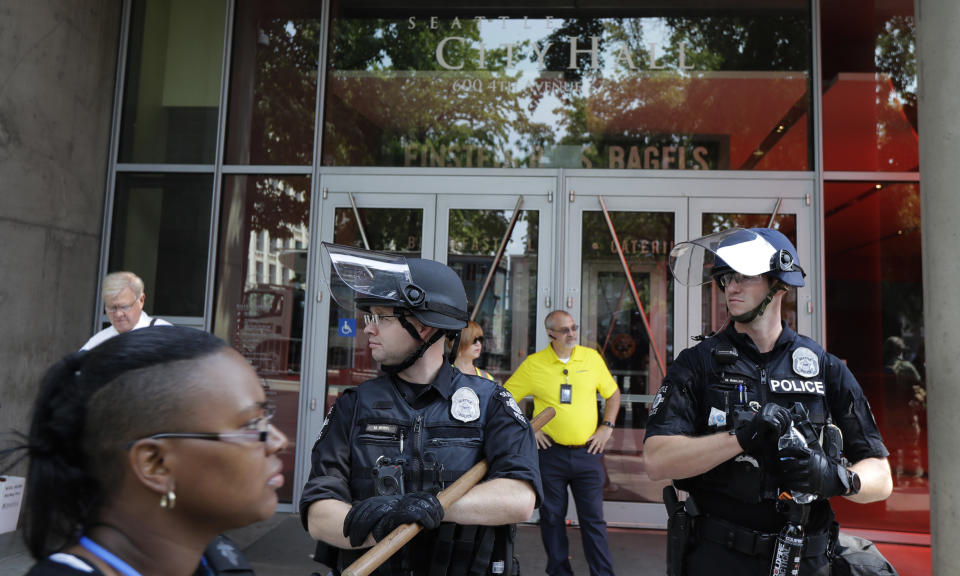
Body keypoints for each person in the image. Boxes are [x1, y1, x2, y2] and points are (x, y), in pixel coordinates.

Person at [643, 227, 892, 575]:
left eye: (744, 276)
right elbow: (656, 460)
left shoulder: (823, 367)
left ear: (780, 283)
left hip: (806, 558)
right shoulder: (697, 363)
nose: (731, 287)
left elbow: (882, 477)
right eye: (726, 278)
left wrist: (838, 479)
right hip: (719, 556)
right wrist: (740, 438)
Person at [300, 243, 541, 576]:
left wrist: (434, 505)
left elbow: (518, 497)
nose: (368, 328)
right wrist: (384, 522)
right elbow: (318, 513)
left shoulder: (491, 403)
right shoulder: (353, 406)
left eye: (380, 318)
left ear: (424, 327)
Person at [0, 326, 288, 576]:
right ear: (156, 463)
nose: (278, 441)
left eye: (267, 417)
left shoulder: (217, 564)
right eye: (252, 423)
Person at [505, 310, 621, 576]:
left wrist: (607, 426)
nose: (572, 334)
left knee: (594, 521)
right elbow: (505, 398)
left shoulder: (591, 358)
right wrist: (529, 429)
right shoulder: (535, 364)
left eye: (573, 327)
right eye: (565, 330)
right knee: (552, 519)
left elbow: (613, 394)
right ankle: (559, 572)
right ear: (550, 334)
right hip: (550, 455)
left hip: (588, 453)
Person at [81, 271, 172, 351]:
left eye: (124, 307)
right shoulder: (97, 342)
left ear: (141, 300)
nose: (118, 314)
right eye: (111, 308)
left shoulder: (164, 333)